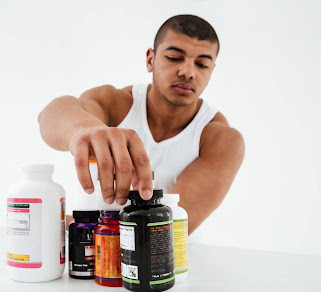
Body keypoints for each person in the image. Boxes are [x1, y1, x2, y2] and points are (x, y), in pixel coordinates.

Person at [38, 14, 244, 234]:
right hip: (96, 253)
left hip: (168, 261)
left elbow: (166, 231)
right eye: (174, 57)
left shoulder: (220, 139)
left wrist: (67, 225)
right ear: (150, 60)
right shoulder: (116, 103)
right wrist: (86, 130)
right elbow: (52, 114)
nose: (188, 72)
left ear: (211, 70)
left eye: (202, 64)